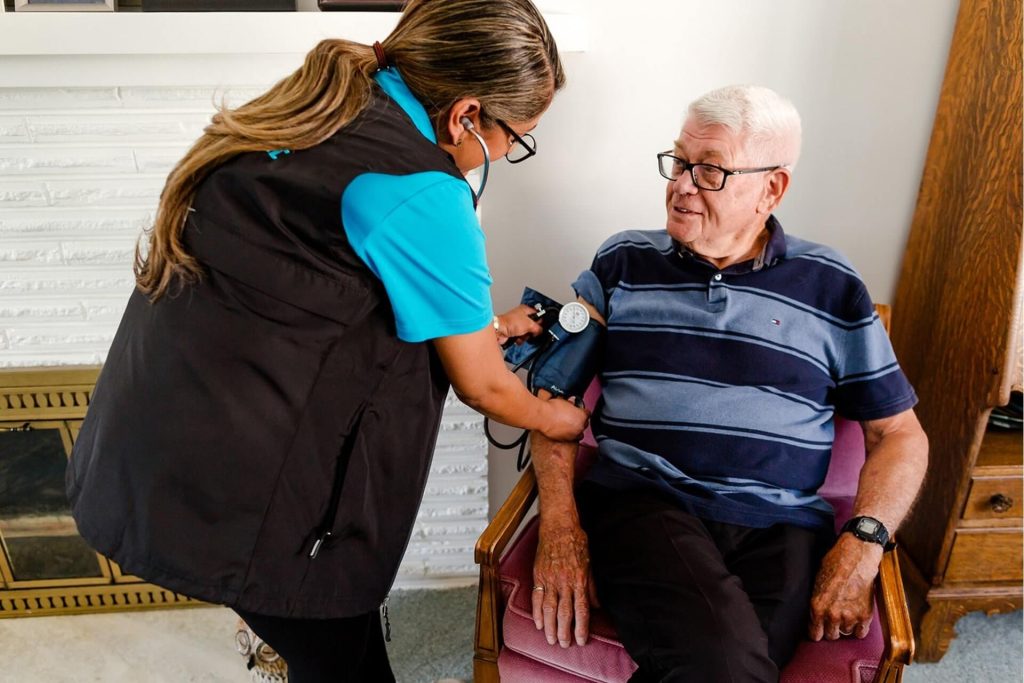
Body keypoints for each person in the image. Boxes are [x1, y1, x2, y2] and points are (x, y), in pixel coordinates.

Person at [66, 1, 588, 681]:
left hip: (153, 443)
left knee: (324, 632)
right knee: (344, 662)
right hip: (248, 493)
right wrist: (561, 418)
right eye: (515, 138)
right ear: (464, 115)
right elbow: (484, 384)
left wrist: (484, 327)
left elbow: (317, 291)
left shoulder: (321, 102)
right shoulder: (423, 193)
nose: (505, 154)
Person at [527, 85, 929, 682]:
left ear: (772, 188)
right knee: (725, 661)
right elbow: (551, 394)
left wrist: (863, 542)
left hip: (784, 525)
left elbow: (899, 434)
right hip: (647, 503)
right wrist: (560, 524)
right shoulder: (623, 263)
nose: (682, 185)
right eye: (679, 162)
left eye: (710, 171)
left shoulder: (830, 285)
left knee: (735, 667)